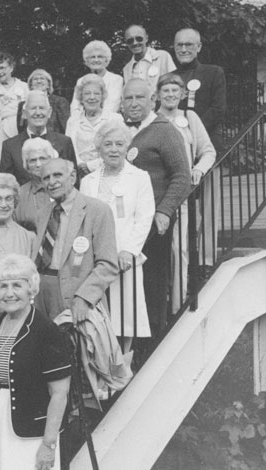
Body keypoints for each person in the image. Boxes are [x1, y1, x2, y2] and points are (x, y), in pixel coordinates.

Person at [0, 255, 71, 470]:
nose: (9, 293)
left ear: (31, 289)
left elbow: (59, 393)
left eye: (17, 285)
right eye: (3, 286)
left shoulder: (46, 330)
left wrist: (49, 444)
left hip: (31, 432)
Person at [121, 78, 191, 337]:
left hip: (152, 223)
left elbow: (182, 176)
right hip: (124, 221)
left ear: (153, 101)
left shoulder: (164, 130)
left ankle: (153, 338)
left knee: (152, 281)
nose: (134, 103)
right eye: (129, 98)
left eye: (140, 97)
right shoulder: (120, 130)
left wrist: (165, 211)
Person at [80, 121, 156, 352]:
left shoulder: (139, 177)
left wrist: (129, 251)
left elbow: (145, 217)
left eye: (119, 144)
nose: (113, 149)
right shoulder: (88, 180)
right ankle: (103, 364)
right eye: (108, 144)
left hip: (125, 256)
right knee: (100, 312)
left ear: (127, 148)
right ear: (99, 149)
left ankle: (124, 362)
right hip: (95, 257)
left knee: (127, 312)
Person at [156, 72, 218, 308]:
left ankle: (179, 301)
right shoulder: (153, 118)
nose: (170, 95)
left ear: (182, 94)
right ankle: (160, 302)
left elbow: (208, 151)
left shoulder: (189, 117)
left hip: (182, 193)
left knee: (179, 247)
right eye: (165, 91)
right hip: (157, 192)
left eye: (175, 91)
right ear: (158, 94)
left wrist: (199, 170)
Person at [32, 159, 119, 324]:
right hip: (44, 298)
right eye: (46, 178)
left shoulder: (97, 210)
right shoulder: (42, 214)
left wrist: (84, 298)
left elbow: (108, 264)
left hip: (78, 299)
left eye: (57, 175)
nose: (52, 182)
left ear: (72, 177)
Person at [0, 90, 76, 186]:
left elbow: (73, 182)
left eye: (42, 108)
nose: (38, 112)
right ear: (24, 113)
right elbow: (4, 185)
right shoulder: (10, 146)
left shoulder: (65, 142)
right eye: (33, 108)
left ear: (49, 112)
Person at [172, 28, 227, 149]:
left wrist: (192, 132)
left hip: (206, 141)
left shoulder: (213, 73)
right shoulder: (167, 78)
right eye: (179, 45)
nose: (183, 49)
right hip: (176, 143)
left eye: (189, 44)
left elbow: (218, 110)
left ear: (199, 47)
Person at [65, 74, 124, 177]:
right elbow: (69, 149)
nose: (92, 97)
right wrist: (80, 165)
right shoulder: (73, 121)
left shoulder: (114, 119)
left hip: (109, 172)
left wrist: (90, 166)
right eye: (87, 94)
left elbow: (119, 149)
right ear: (81, 98)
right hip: (79, 174)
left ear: (102, 97)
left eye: (96, 93)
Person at [0, 51, 28, 162]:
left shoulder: (24, 86)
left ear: (11, 68)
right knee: (4, 163)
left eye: (2, 68)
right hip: (2, 132)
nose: (0, 72)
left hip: (21, 130)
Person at [15, 138, 58, 232]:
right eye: (33, 160)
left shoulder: (63, 188)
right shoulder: (20, 193)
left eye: (42, 158)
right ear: (27, 165)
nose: (38, 164)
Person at [70, 41, 124, 115]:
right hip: (84, 123)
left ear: (106, 60)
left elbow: (112, 107)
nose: (96, 60)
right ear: (87, 60)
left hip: (108, 123)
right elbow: (75, 107)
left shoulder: (116, 80)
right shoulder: (81, 80)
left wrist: (96, 122)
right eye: (92, 57)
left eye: (100, 57)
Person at [17, 68, 71, 135]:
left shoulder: (59, 102)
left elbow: (67, 128)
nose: (39, 81)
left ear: (48, 85)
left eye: (42, 78)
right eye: (35, 79)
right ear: (31, 85)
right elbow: (21, 129)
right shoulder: (23, 105)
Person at [121, 24, 176, 89]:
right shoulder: (127, 69)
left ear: (146, 38)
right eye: (130, 41)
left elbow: (175, 84)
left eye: (139, 39)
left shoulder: (162, 57)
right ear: (126, 43)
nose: (135, 43)